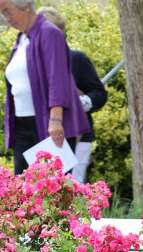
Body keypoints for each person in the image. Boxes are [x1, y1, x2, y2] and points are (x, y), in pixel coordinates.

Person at [0, 0, 89, 174]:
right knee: (22, 192)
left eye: (7, 11)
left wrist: (56, 120)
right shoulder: (21, 39)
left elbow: (58, 79)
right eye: (3, 13)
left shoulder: (49, 33)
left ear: (25, 6)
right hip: (22, 125)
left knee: (52, 192)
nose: (6, 18)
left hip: (47, 124)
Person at [37, 7, 107, 183]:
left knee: (72, 190)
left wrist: (75, 103)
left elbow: (99, 94)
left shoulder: (76, 59)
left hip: (77, 134)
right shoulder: (32, 63)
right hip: (41, 136)